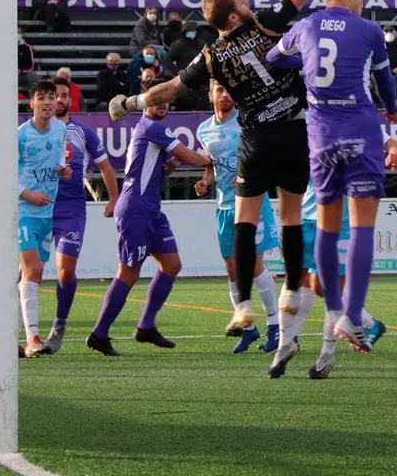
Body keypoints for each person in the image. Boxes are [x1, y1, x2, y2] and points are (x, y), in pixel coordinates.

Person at [110, 0, 357, 337]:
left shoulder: (209, 58)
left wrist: (130, 104)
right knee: (292, 217)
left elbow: (169, 89)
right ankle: (293, 289)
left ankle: (242, 305)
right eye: (242, 1)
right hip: (294, 132)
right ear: (233, 16)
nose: (248, 2)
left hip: (256, 140)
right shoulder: (266, 25)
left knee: (244, 223)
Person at [265, 0, 397, 359]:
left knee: (326, 228)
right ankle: (353, 315)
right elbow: (385, 81)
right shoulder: (370, 30)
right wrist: (392, 110)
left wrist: (305, 61)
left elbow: (274, 58)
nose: (362, 0)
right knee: (361, 228)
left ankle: (337, 311)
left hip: (322, 137)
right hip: (360, 131)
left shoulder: (306, 27)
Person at [268, 133, 397, 379]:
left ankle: (327, 354)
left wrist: (393, 148)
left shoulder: (352, 117)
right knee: (294, 280)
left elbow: (384, 137)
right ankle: (285, 345)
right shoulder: (307, 116)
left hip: (339, 219)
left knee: (327, 288)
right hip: (306, 215)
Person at [86, 101, 210, 356]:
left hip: (150, 208)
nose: (163, 104)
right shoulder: (152, 127)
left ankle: (146, 325)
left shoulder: (152, 130)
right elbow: (192, 157)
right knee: (129, 272)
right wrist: (216, 157)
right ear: (145, 103)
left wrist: (168, 169)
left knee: (172, 265)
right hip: (136, 209)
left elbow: (152, 174)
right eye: (156, 100)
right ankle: (99, 334)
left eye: (166, 100)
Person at [194, 81, 282, 355]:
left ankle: (275, 327)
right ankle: (248, 328)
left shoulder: (248, 122)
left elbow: (268, 158)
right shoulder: (204, 129)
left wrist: (252, 176)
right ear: (210, 95)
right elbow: (211, 165)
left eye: (228, 89)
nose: (224, 94)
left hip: (253, 201)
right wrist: (205, 181)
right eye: (218, 90)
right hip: (224, 208)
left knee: (254, 266)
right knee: (233, 271)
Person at [46, 78, 120, 353]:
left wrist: (114, 198)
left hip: (71, 209)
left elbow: (105, 165)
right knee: (26, 272)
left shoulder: (83, 132)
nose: (60, 100)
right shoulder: (35, 132)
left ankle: (58, 327)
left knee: (66, 271)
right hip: (39, 207)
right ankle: (13, 333)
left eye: (65, 95)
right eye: (55, 96)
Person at [17, 80, 72, 358]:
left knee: (30, 277)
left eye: (52, 97)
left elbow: (60, 158)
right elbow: (1, 172)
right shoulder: (21, 135)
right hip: (23, 210)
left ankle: (4, 338)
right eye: (42, 98)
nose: (49, 102)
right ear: (32, 103)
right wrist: (27, 194)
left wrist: (62, 170)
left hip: (46, 213)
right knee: (33, 271)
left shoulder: (61, 130)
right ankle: (33, 338)